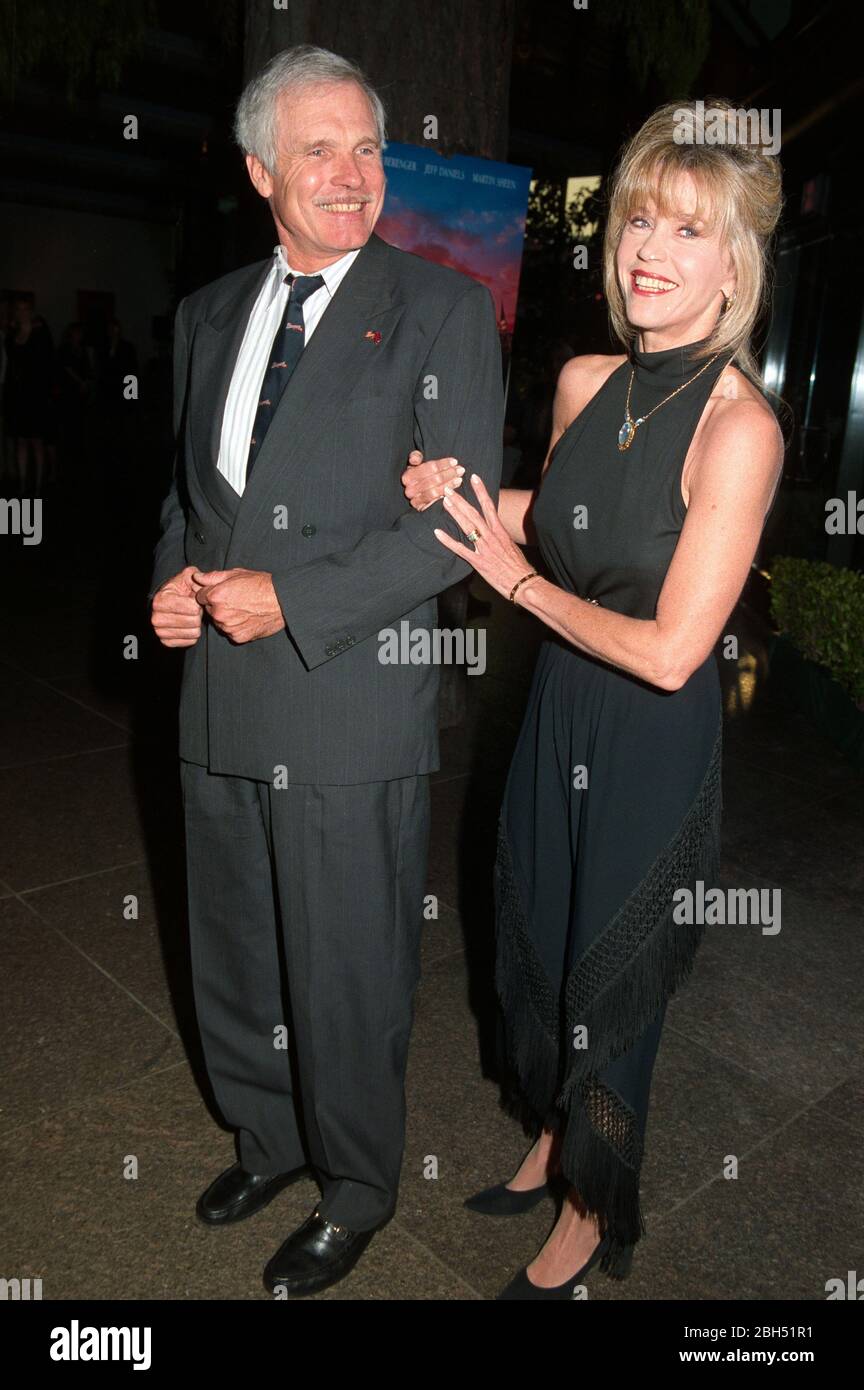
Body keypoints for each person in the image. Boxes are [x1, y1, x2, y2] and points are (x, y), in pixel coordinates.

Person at [401, 97, 784, 1299]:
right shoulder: (583, 380)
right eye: (637, 222)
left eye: (684, 229)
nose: (647, 251)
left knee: (611, 982)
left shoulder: (740, 428)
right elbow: (558, 521)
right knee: (544, 938)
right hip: (561, 708)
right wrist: (459, 496)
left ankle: (588, 1206)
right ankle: (556, 1133)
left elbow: (677, 650)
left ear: (735, 264)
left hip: (648, 738)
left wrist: (514, 580)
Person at [148, 44, 503, 1298]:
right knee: (236, 949)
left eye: (369, 148)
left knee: (346, 968)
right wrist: (171, 584)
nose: (353, 175)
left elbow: (450, 528)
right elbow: (192, 498)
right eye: (320, 150)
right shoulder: (203, 316)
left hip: (352, 698)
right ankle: (271, 1137)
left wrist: (291, 597)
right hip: (222, 696)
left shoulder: (442, 307)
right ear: (259, 170)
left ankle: (356, 1185)